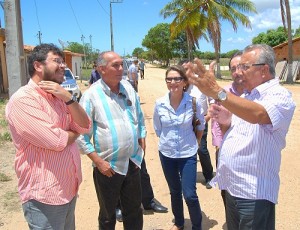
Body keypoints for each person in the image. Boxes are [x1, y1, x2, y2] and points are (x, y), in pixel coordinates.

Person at [185, 44, 296, 230]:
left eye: (245, 66)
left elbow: (258, 115)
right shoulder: (247, 95)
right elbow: (242, 131)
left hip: (254, 193)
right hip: (232, 187)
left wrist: (217, 91)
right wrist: (226, 122)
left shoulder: (281, 95)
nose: (239, 71)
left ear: (264, 70)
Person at [5, 43, 91, 229]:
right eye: (57, 61)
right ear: (38, 66)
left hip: (67, 189)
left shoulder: (58, 96)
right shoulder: (23, 100)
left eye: (63, 61)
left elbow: (84, 126)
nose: (63, 66)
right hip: (44, 196)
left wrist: (68, 98)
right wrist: (74, 132)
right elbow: (57, 141)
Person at [76, 51, 145, 230]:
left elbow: (139, 117)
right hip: (108, 168)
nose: (121, 68)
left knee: (134, 211)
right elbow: (81, 134)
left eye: (122, 64)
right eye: (115, 65)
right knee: (108, 216)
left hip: (133, 162)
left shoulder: (128, 88)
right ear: (101, 69)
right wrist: (98, 162)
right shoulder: (91, 96)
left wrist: (141, 141)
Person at [153, 65, 205, 230]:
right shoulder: (159, 103)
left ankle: (197, 226)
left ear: (184, 81)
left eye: (177, 78)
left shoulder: (193, 102)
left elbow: (201, 125)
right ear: (166, 82)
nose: (173, 82)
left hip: (187, 153)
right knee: (175, 191)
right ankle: (179, 222)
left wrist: (194, 143)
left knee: (189, 194)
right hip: (167, 153)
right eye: (169, 79)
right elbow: (158, 128)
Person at [210, 51, 244, 208]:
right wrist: (219, 145)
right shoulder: (223, 93)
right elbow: (216, 122)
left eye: (242, 67)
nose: (237, 72)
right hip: (225, 149)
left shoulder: (257, 94)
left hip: (247, 152)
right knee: (226, 190)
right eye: (233, 69)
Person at [179, 59, 214, 189]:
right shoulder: (180, 85)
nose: (186, 71)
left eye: (188, 69)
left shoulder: (201, 85)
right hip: (185, 124)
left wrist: (208, 116)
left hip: (201, 121)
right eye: (183, 69)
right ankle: (187, 176)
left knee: (201, 149)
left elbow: (212, 101)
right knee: (185, 150)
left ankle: (209, 176)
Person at [115, 158, 168, 222]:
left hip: (134, 149)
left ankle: (148, 202)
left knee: (142, 173)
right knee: (118, 175)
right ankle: (118, 206)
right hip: (116, 151)